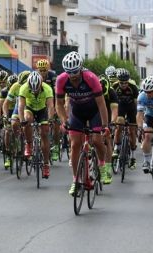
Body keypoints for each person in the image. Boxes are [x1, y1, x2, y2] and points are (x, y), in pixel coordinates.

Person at [55, 52, 110, 195]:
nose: (72, 75)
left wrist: (105, 125)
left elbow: (101, 104)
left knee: (98, 141)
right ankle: (76, 180)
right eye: (69, 72)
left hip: (94, 111)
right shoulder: (61, 80)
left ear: (80, 68)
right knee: (74, 145)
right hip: (77, 111)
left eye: (75, 72)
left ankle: (103, 166)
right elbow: (59, 104)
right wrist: (64, 120)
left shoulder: (91, 78)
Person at [18, 71, 54, 178]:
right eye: (32, 89)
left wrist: (50, 120)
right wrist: (21, 120)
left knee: (44, 133)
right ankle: (29, 144)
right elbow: (20, 106)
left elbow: (51, 106)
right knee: (27, 119)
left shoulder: (47, 88)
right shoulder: (24, 88)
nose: (34, 91)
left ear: (41, 84)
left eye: (36, 89)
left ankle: (46, 164)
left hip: (42, 110)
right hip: (30, 108)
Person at [111, 68, 137, 171]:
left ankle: (133, 157)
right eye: (121, 83)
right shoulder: (114, 87)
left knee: (132, 131)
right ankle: (117, 149)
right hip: (120, 106)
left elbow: (136, 104)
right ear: (118, 81)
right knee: (119, 125)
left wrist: (135, 119)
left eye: (126, 82)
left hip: (131, 107)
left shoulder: (133, 87)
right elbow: (112, 103)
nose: (124, 85)